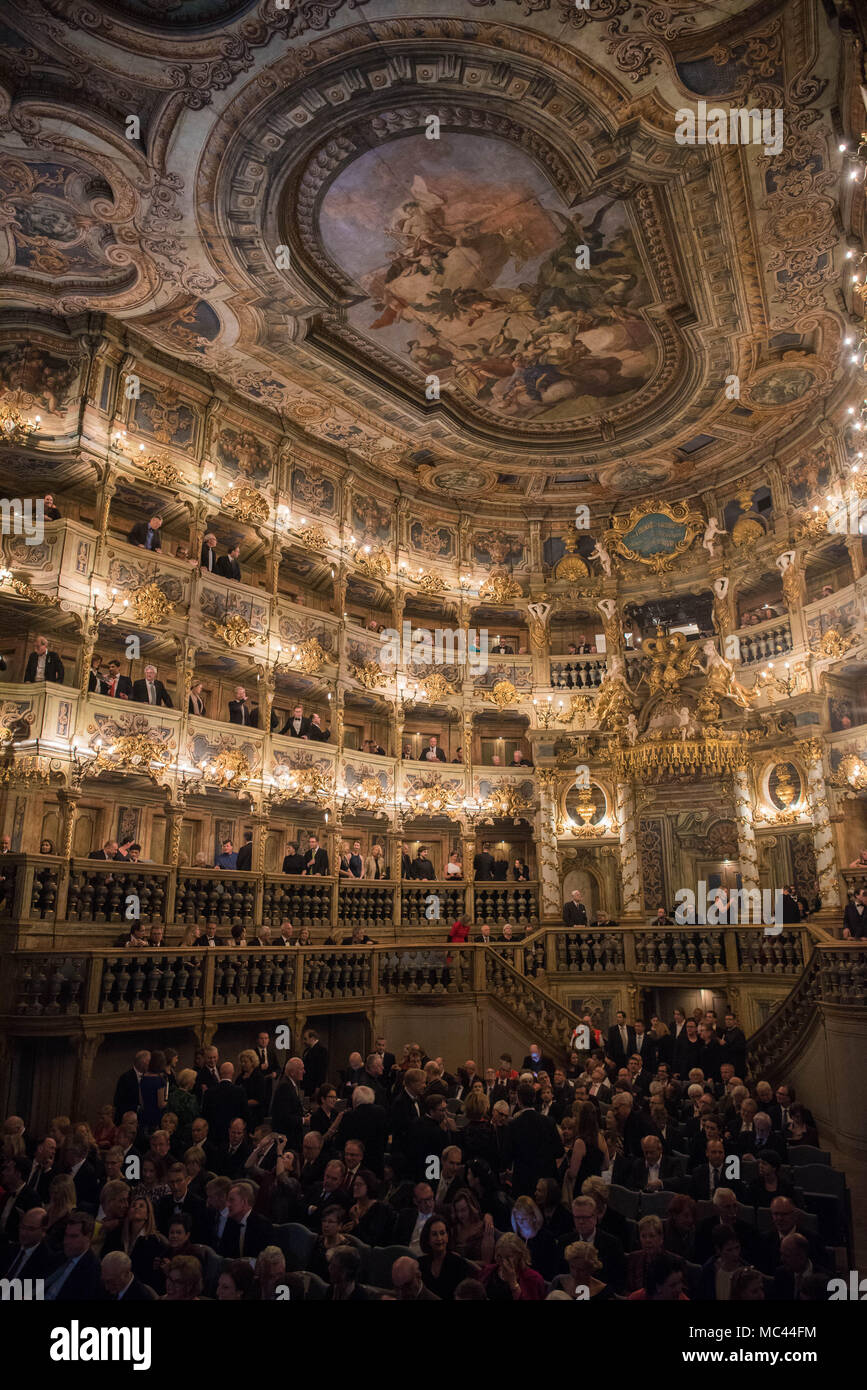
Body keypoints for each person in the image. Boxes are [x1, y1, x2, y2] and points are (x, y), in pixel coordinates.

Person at [419, 1215, 471, 1300]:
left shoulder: (459, 1264)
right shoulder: (420, 1264)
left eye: (442, 1233)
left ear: (447, 1236)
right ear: (428, 1239)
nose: (439, 1238)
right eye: (434, 1234)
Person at [480, 1232, 545, 1301]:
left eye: (508, 1258)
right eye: (499, 1256)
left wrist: (513, 1283)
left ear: (519, 1255)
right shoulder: (488, 1271)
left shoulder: (533, 1278)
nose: (503, 1262)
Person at [549, 1239, 614, 1299]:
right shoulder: (558, 1281)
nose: (575, 1273)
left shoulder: (603, 1290)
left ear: (591, 1268)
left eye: (581, 1270)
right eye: (572, 1267)